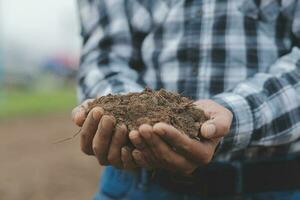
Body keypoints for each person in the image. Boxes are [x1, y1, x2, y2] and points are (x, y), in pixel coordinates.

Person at [72, 0, 300, 199]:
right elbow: (104, 57)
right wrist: (119, 115)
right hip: (136, 186)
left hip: (274, 183)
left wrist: (231, 115)